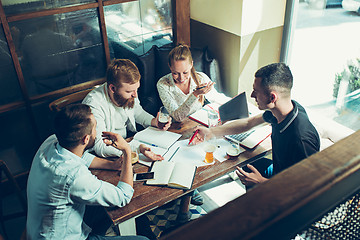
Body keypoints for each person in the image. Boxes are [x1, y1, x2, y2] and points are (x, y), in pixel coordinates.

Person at [26, 103, 149, 240]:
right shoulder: (74, 176)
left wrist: (112, 165)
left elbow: (80, 155)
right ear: (86, 139)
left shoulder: (51, 142)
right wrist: (126, 150)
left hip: (37, 231)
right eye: (95, 127)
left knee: (104, 208)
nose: (96, 131)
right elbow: (123, 196)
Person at [192, 63, 320, 187]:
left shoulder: (301, 140)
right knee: (248, 166)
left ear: (272, 98)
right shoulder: (281, 111)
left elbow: (306, 188)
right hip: (278, 173)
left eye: (255, 91)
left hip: (288, 190)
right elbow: (249, 123)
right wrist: (212, 132)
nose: (252, 95)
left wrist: (261, 182)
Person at [83, 59, 171, 160]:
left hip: (126, 143)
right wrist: (134, 149)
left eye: (136, 89)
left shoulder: (131, 93)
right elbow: (99, 146)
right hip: (104, 155)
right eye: (129, 91)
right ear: (112, 88)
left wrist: (155, 122)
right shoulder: (94, 104)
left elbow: (138, 112)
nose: (135, 95)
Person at [157, 43, 230, 122]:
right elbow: (177, 117)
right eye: (175, 73)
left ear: (191, 64)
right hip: (176, 126)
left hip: (197, 121)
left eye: (185, 72)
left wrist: (233, 102)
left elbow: (216, 97)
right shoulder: (163, 84)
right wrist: (195, 94)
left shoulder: (201, 78)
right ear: (170, 66)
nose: (181, 78)